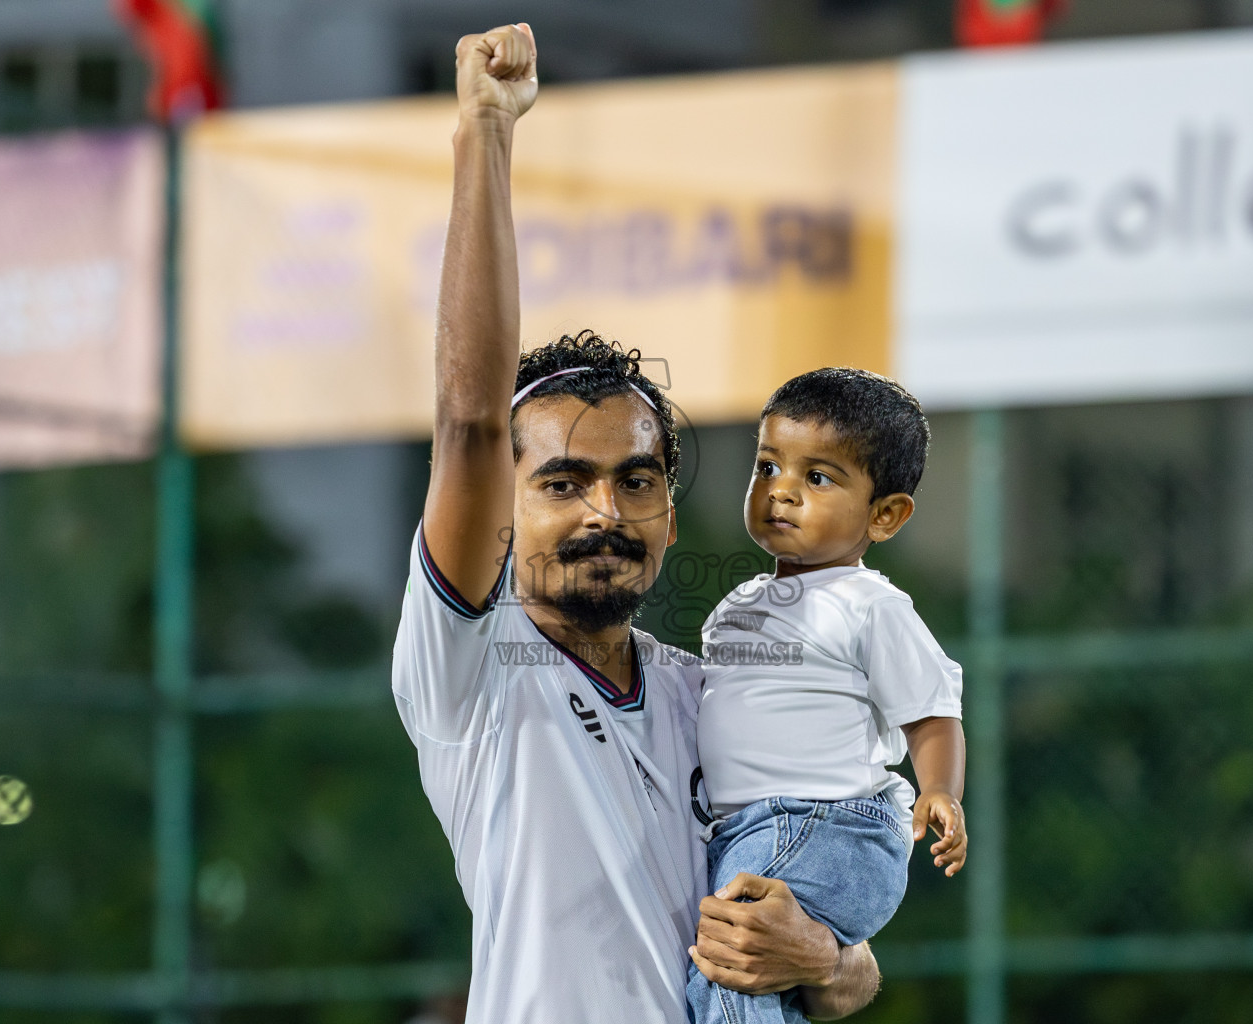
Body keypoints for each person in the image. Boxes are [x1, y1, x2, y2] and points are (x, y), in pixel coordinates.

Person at [389, 24, 882, 1023]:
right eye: (564, 482)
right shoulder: (471, 670)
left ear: (668, 509)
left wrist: (823, 958)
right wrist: (483, 133)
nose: (604, 510)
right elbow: (471, 416)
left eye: (635, 479)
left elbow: (854, 967)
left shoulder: (713, 697)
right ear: (503, 506)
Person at [686, 368, 969, 1024]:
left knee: (729, 954)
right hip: (752, 828)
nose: (781, 490)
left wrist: (940, 791)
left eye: (817, 477)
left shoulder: (870, 604)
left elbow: (932, 710)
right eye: (767, 466)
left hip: (824, 824)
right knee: (743, 973)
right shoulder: (736, 606)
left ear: (886, 515)